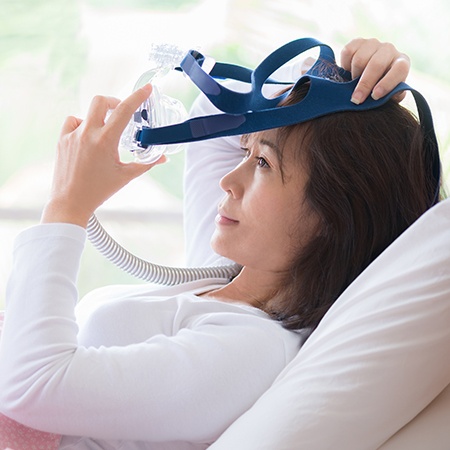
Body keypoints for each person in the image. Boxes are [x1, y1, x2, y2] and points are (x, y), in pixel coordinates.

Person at [0, 38, 434, 449]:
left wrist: (66, 206)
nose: (229, 180)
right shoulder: (223, 275)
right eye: (245, 151)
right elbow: (215, 107)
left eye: (262, 162)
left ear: (333, 213)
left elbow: (33, 385)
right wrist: (327, 80)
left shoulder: (250, 349)